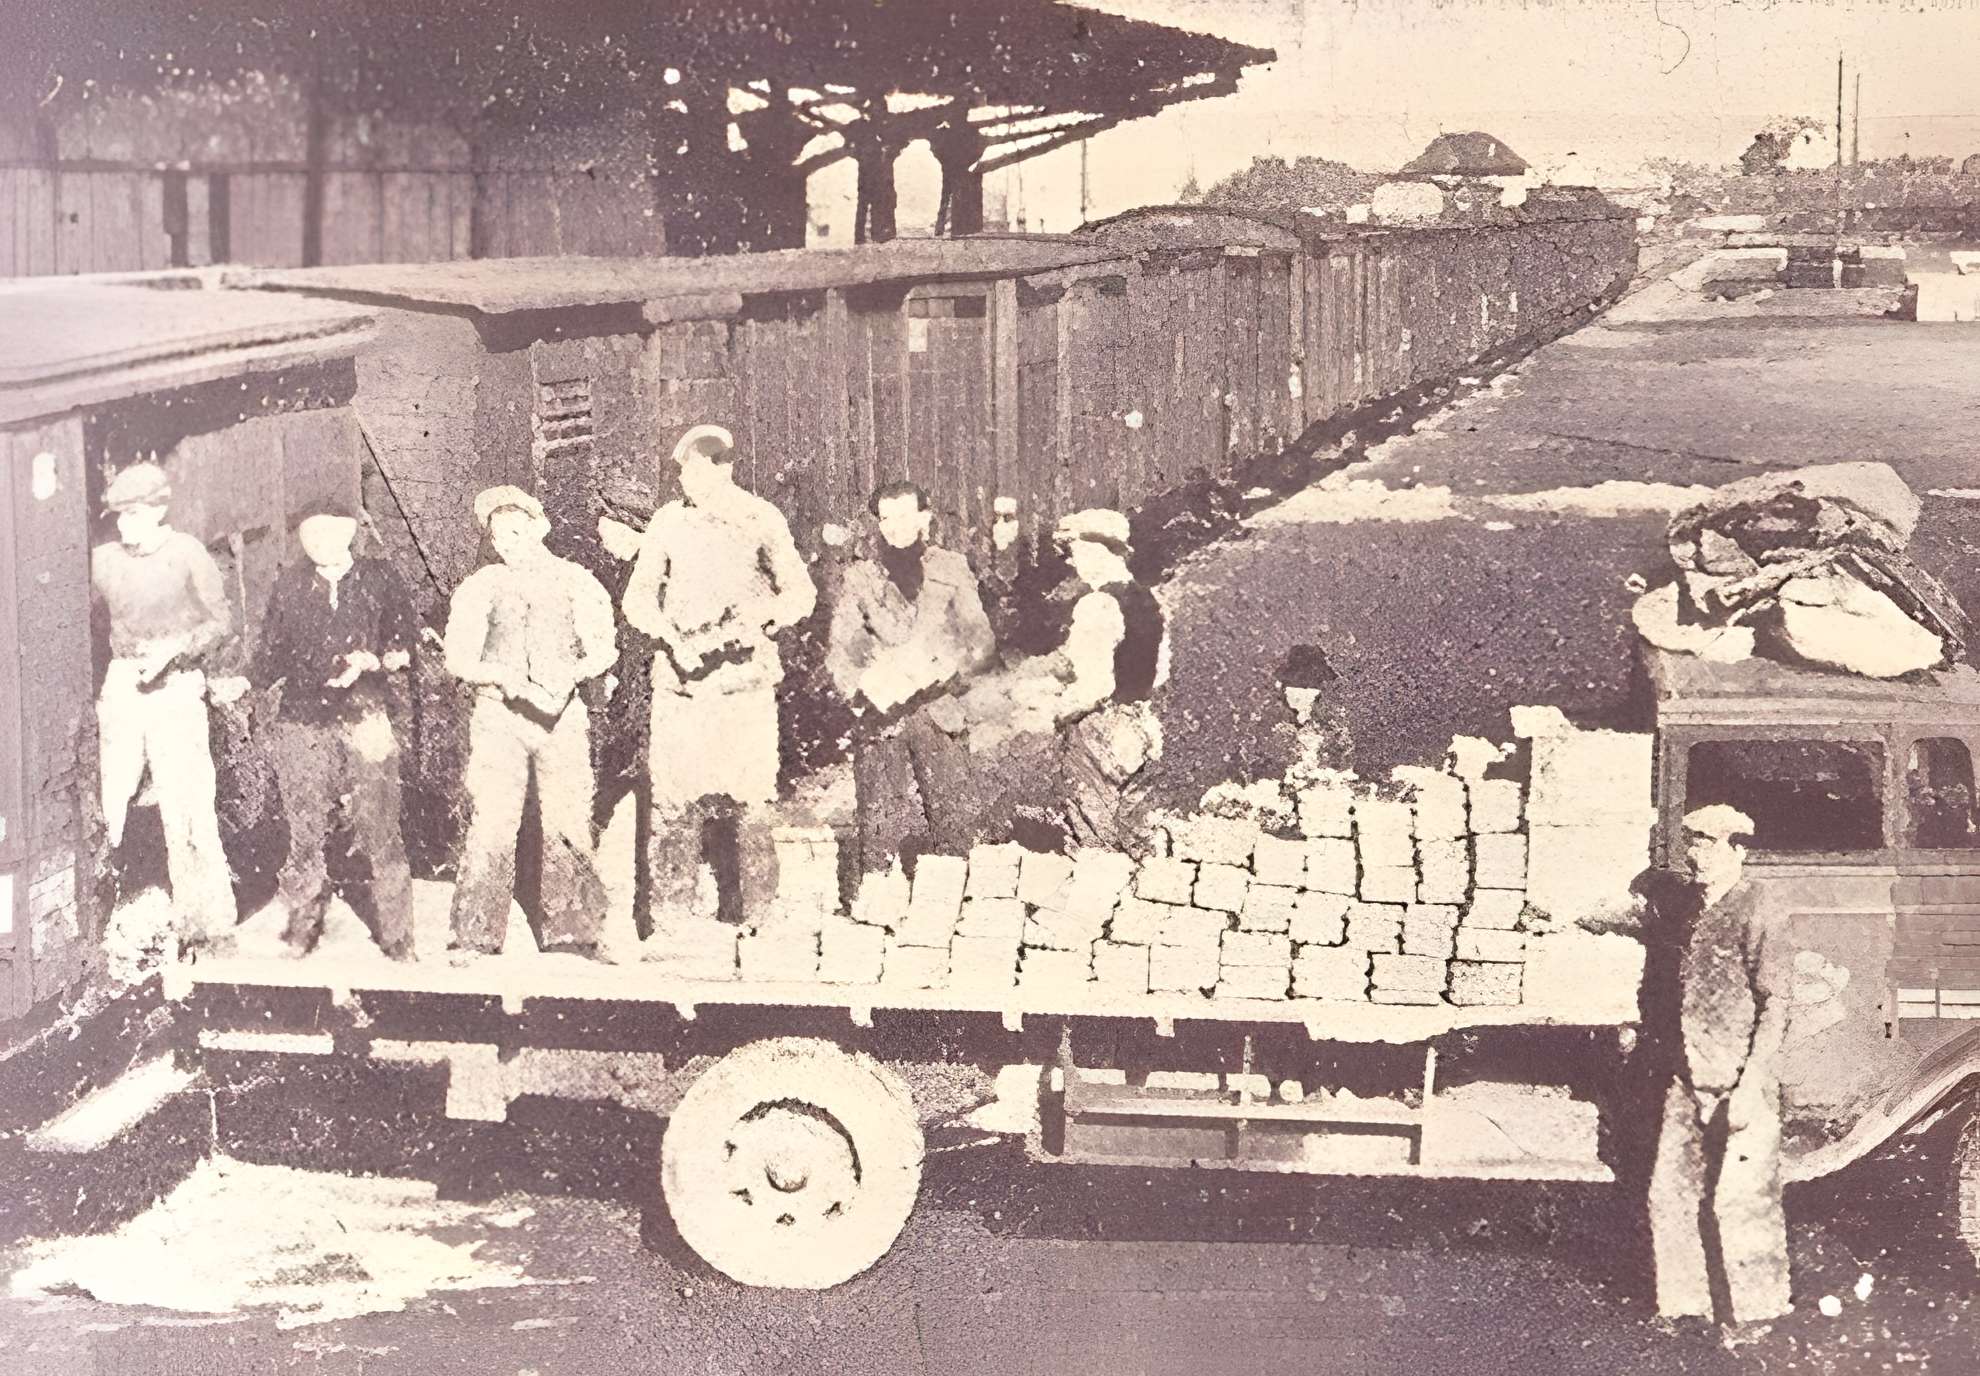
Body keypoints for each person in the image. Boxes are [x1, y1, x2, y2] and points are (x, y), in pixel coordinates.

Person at [622, 425, 817, 928]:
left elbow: (800, 592)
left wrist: (761, 620)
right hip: (682, 684)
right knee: (672, 800)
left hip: (744, 684)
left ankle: (756, 917)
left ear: (725, 467)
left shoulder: (759, 518)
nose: (688, 478)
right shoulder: (668, 523)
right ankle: (669, 918)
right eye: (684, 469)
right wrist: (667, 633)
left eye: (700, 467)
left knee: (751, 801)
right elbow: (638, 598)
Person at [236, 502, 418, 960]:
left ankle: (398, 938)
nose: (318, 543)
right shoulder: (291, 584)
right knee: (304, 826)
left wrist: (374, 660)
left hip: (366, 712)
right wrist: (245, 682)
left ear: (350, 533)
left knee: (379, 824)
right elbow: (271, 654)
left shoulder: (380, 578)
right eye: (309, 535)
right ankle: (303, 928)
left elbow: (404, 645)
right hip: (303, 718)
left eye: (328, 534)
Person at [443, 486, 617, 960]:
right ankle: (476, 936)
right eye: (500, 536)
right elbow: (458, 656)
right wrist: (498, 675)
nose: (510, 542)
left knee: (568, 820)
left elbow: (604, 646)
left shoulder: (576, 581)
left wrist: (572, 675)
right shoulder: (481, 586)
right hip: (499, 718)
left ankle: (574, 934)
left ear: (540, 528)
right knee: (493, 822)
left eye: (518, 531)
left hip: (562, 717)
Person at [1640, 803, 1795, 1326]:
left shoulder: (1760, 908)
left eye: (1710, 842)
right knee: (1670, 1194)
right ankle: (1685, 1310)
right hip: (1688, 1077)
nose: (1697, 853)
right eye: (1693, 842)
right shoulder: (1688, 907)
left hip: (1739, 1081)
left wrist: (1752, 1085)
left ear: (1739, 851)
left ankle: (1759, 1318)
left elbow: (1777, 1003)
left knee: (1744, 1202)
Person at [940, 507, 1169, 854]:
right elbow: (1159, 673)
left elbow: (1094, 690)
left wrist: (1042, 713)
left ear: (1097, 550)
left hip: (1101, 739)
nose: (1076, 565)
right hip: (1143, 730)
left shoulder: (1097, 605)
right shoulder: (1154, 602)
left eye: (1077, 553)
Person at [89, 461, 238, 954]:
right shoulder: (104, 560)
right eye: (118, 516)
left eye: (133, 513)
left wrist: (174, 650)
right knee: (109, 798)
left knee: (187, 801)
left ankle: (207, 924)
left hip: (175, 687)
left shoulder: (186, 554)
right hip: (123, 684)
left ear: (158, 509)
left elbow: (220, 623)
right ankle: (98, 916)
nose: (124, 524)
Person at [825, 480, 997, 876]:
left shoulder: (952, 567)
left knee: (957, 826)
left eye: (904, 515)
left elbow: (981, 642)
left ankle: (964, 913)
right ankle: (876, 915)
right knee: (880, 829)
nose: (896, 526)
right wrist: (864, 691)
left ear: (925, 516)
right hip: (881, 718)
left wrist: (943, 668)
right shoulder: (862, 577)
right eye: (886, 519)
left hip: (939, 711)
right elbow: (841, 651)